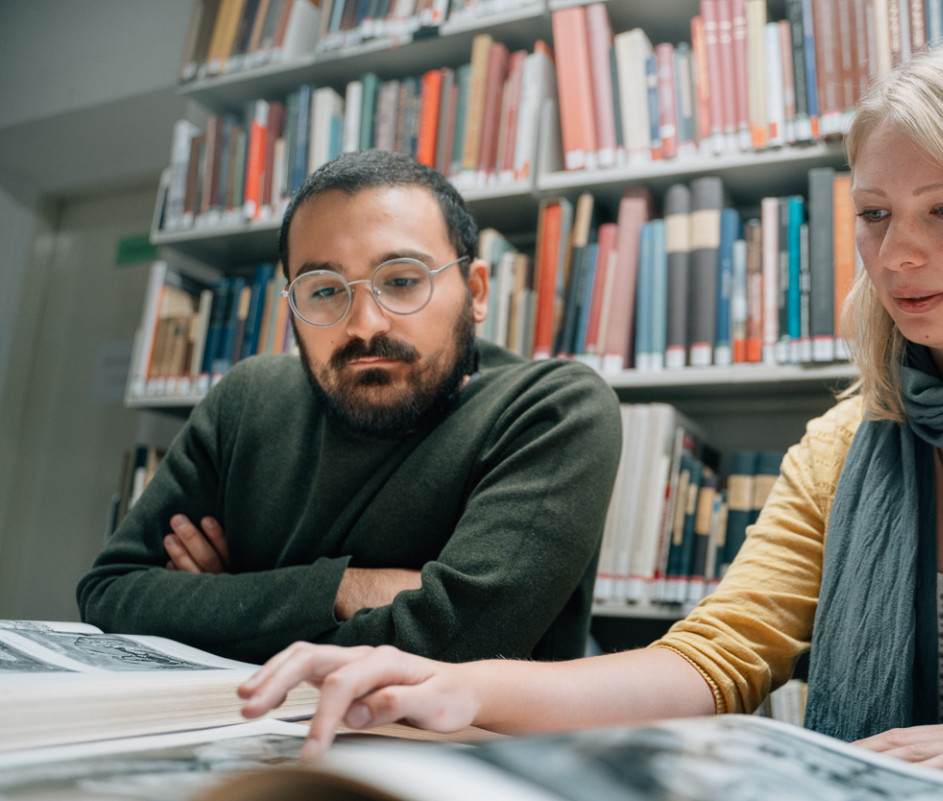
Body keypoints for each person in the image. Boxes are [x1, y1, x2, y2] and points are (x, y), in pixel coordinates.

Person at [237, 38, 943, 789]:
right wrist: (454, 685)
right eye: (873, 214)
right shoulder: (846, 445)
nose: (897, 254)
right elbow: (713, 658)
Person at [77, 151, 622, 666]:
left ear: (476, 291)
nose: (364, 324)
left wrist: (224, 602)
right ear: (290, 303)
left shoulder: (552, 410)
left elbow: (458, 646)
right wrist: (344, 590)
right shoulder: (245, 401)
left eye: (403, 281)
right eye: (324, 291)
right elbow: (110, 595)